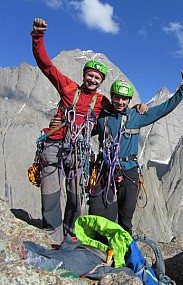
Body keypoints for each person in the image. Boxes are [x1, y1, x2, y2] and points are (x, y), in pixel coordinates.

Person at [88, 65, 183, 234]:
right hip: (105, 171)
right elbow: (84, 129)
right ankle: (98, 250)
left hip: (129, 172)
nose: (120, 102)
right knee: (98, 213)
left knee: (125, 218)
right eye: (117, 98)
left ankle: (123, 254)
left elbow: (165, 108)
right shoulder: (102, 118)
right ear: (112, 97)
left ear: (129, 100)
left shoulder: (136, 117)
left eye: (124, 99)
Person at [31, 18, 112, 243]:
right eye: (90, 75)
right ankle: (52, 235)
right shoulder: (68, 87)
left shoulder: (101, 101)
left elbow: (118, 109)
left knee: (77, 196)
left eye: (97, 78)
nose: (92, 79)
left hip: (78, 151)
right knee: (50, 193)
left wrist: (138, 107)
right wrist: (38, 37)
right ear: (84, 75)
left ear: (101, 81)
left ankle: (71, 233)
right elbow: (46, 65)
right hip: (54, 145)